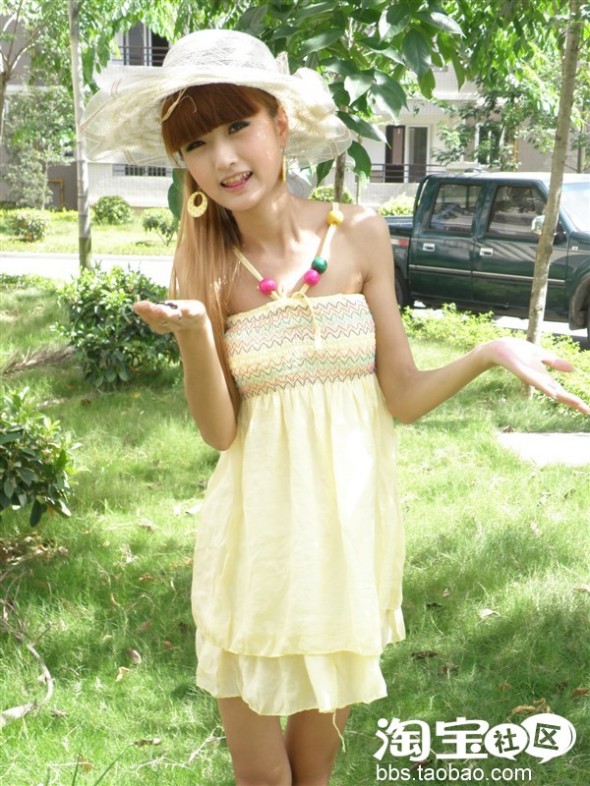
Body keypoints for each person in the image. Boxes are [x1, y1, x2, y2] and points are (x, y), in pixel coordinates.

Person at [81, 29, 589, 786]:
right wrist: (194, 335)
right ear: (183, 163)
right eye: (196, 143)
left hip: (346, 541)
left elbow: (402, 396)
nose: (224, 157)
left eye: (238, 126)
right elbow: (220, 431)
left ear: (280, 123)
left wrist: (486, 352)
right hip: (256, 544)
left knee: (313, 772)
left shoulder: (358, 234)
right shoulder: (204, 257)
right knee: (265, 779)